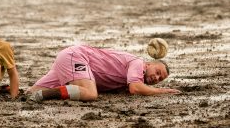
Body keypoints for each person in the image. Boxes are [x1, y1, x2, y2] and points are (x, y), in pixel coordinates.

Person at [26, 45, 181, 102]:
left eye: (160, 79)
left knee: (29, 93)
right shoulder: (138, 63)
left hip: (70, 59)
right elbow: (135, 88)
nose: (157, 77)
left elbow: (132, 88)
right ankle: (45, 96)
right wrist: (160, 91)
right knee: (90, 94)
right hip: (77, 56)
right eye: (158, 72)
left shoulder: (132, 75)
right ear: (149, 64)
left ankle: (9, 90)